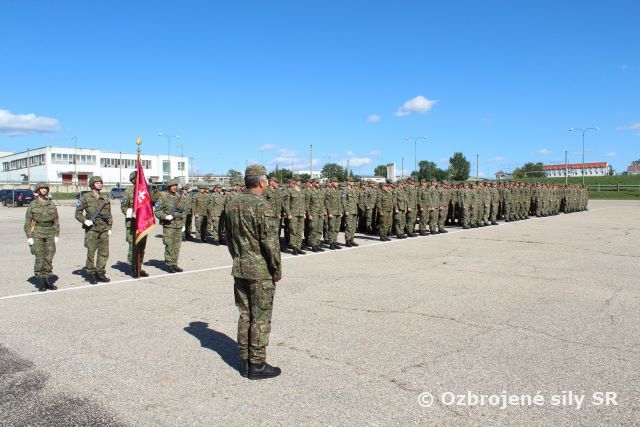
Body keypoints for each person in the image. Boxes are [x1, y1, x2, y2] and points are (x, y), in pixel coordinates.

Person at [225, 164, 282, 380]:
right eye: (266, 181)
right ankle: (257, 364)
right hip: (260, 271)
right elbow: (271, 243)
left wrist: (238, 257)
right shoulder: (262, 206)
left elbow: (229, 238)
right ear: (260, 182)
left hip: (240, 267)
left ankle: (245, 361)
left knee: (245, 314)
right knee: (260, 317)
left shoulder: (232, 204)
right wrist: (276, 269)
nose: (266, 185)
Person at [75, 176, 112, 284]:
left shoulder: (105, 198)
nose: (99, 184)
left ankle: (100, 272)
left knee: (104, 252)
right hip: (92, 229)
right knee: (91, 252)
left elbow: (109, 214)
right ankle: (91, 273)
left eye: (100, 182)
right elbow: (78, 213)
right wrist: (84, 221)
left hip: (104, 229)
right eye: (97, 183)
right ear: (92, 185)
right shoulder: (85, 197)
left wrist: (109, 227)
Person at [24, 182, 59, 291]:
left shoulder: (51, 204)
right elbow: (28, 222)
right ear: (38, 190)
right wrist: (29, 236)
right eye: (42, 188)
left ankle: (48, 279)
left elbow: (56, 221)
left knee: (49, 256)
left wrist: (56, 234)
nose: (44, 190)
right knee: (39, 256)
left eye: (45, 188)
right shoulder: (32, 205)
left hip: (49, 232)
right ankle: (41, 280)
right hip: (37, 232)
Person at [121, 171, 149, 277]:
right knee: (133, 246)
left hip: (143, 224)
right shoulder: (128, 192)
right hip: (132, 224)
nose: (139, 179)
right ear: (132, 180)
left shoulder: (144, 190)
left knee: (141, 247)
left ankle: (139, 267)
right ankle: (132, 267)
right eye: (137, 177)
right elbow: (123, 207)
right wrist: (130, 213)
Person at [155, 179, 186, 273]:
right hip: (169, 226)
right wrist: (165, 216)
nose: (174, 187)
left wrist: (183, 224)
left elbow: (183, 212)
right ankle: (169, 264)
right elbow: (157, 211)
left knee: (177, 246)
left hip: (178, 225)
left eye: (175, 185)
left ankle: (174, 263)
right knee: (169, 245)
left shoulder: (180, 197)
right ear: (168, 187)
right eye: (172, 186)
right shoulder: (163, 198)